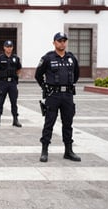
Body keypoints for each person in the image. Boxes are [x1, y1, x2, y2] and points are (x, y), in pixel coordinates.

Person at [35, 32, 81, 163]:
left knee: (68, 123)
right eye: (59, 41)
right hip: (53, 95)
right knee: (49, 123)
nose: (62, 43)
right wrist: (45, 88)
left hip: (67, 95)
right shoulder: (48, 58)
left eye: (64, 41)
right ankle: (44, 151)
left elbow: (76, 74)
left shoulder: (71, 58)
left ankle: (68, 151)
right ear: (54, 42)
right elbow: (38, 75)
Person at [0, 40, 22, 127]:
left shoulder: (16, 58)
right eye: (7, 47)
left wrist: (14, 75)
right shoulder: (0, 58)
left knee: (14, 102)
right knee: (0, 102)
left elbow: (19, 69)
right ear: (4, 47)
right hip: (3, 83)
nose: (9, 48)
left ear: (12, 48)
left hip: (12, 83)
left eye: (10, 47)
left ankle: (15, 120)